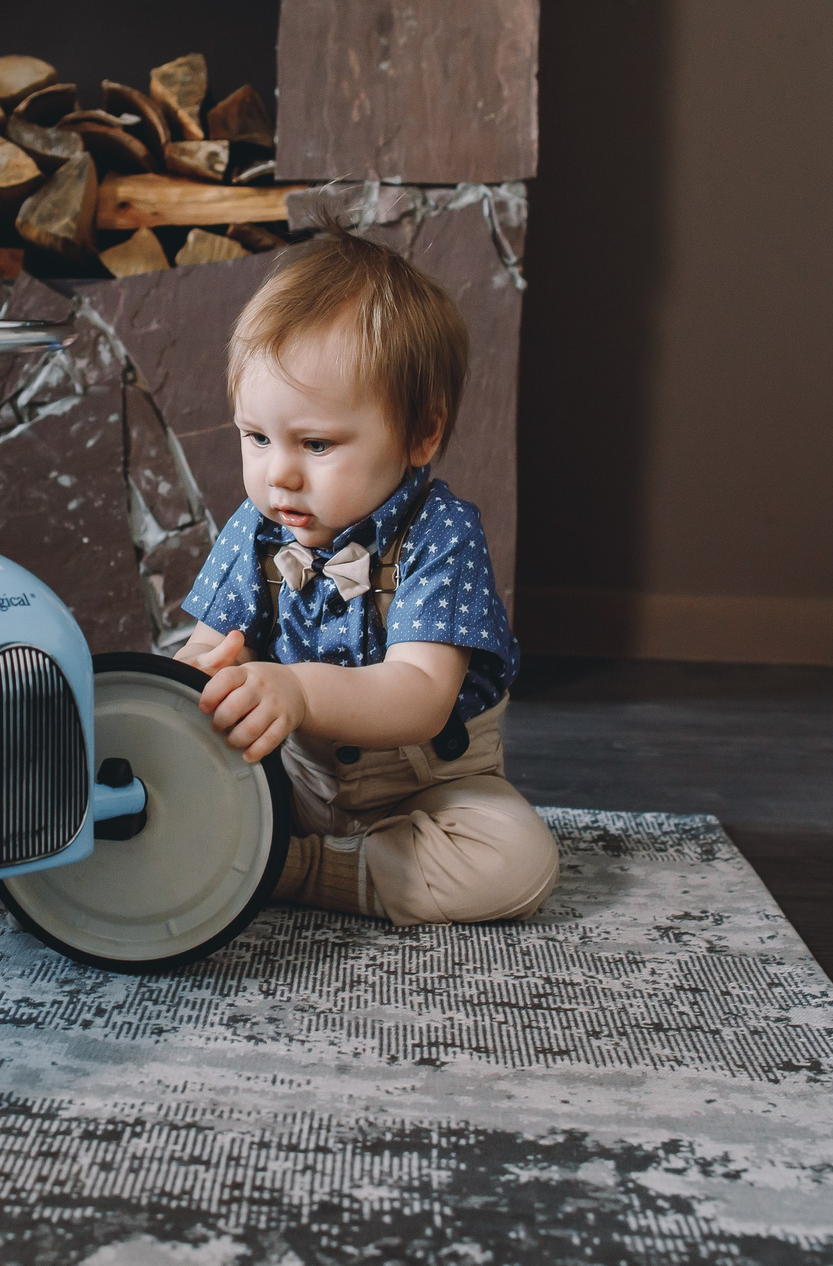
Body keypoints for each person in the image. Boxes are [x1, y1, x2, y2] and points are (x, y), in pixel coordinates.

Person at [178, 230, 560, 927]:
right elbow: (206, 654)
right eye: (256, 437)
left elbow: (418, 696)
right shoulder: (256, 528)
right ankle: (260, 840)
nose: (279, 472)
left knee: (516, 859)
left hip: (422, 790)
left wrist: (295, 686)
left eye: (316, 443)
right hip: (291, 779)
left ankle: (289, 867)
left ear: (421, 433)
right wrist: (186, 697)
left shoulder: (441, 533)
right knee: (169, 798)